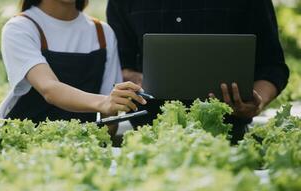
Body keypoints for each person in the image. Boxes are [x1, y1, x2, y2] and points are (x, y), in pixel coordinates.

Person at [107, 0, 290, 144]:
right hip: (149, 136)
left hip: (227, 137)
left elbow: (273, 66)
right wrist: (130, 77)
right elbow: (118, 65)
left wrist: (256, 103)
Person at [0, 0, 147, 130]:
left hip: (80, 150)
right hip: (26, 147)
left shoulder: (103, 32)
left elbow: (109, 118)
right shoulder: (21, 27)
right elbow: (49, 88)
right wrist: (104, 101)